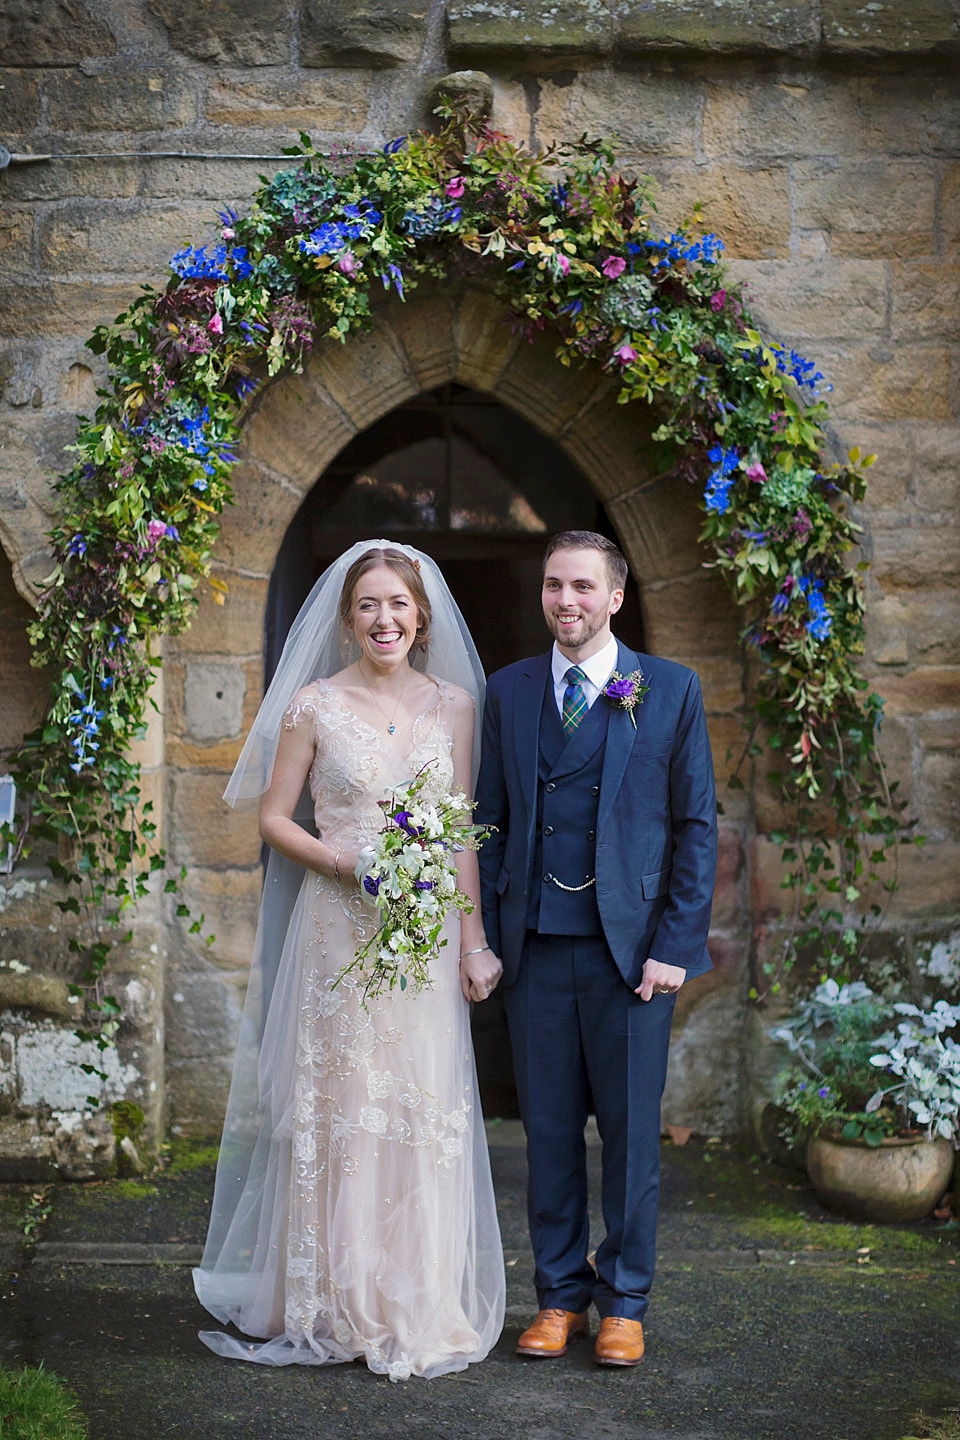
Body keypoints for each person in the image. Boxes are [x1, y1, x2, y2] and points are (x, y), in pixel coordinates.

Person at [193, 541, 505, 1382]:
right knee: (343, 1111)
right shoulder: (313, 707)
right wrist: (345, 863)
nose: (384, 620)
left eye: (398, 605)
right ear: (346, 618)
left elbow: (465, 835)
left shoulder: (456, 707)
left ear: (422, 616)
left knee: (418, 1110)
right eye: (368, 605)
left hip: (425, 937)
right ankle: (333, 1298)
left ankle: (411, 1298)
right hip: (339, 932)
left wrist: (473, 943)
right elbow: (272, 818)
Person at [475, 529, 717, 1367]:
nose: (565, 602)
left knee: (629, 1139)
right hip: (536, 949)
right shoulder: (505, 693)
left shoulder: (670, 689)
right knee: (546, 1136)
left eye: (582, 587)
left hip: (635, 959)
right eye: (553, 587)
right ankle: (557, 1297)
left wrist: (675, 945)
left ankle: (625, 1303)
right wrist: (489, 935)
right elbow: (489, 823)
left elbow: (696, 828)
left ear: (615, 597)